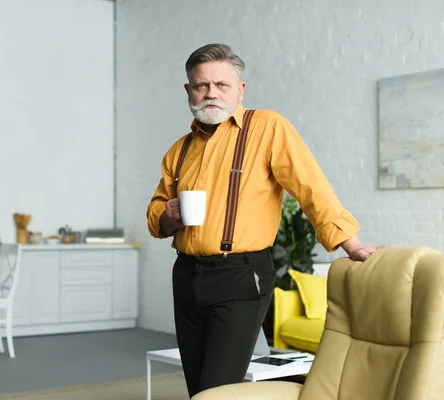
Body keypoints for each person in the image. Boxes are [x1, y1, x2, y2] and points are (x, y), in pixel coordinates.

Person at [145, 43, 390, 398]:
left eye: (221, 85)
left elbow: (311, 187)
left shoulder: (267, 127)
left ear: (240, 89)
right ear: (189, 90)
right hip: (186, 274)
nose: (210, 93)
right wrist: (167, 217)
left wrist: (351, 245)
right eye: (201, 85)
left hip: (241, 275)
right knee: (197, 388)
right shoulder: (179, 150)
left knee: (218, 390)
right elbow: (155, 216)